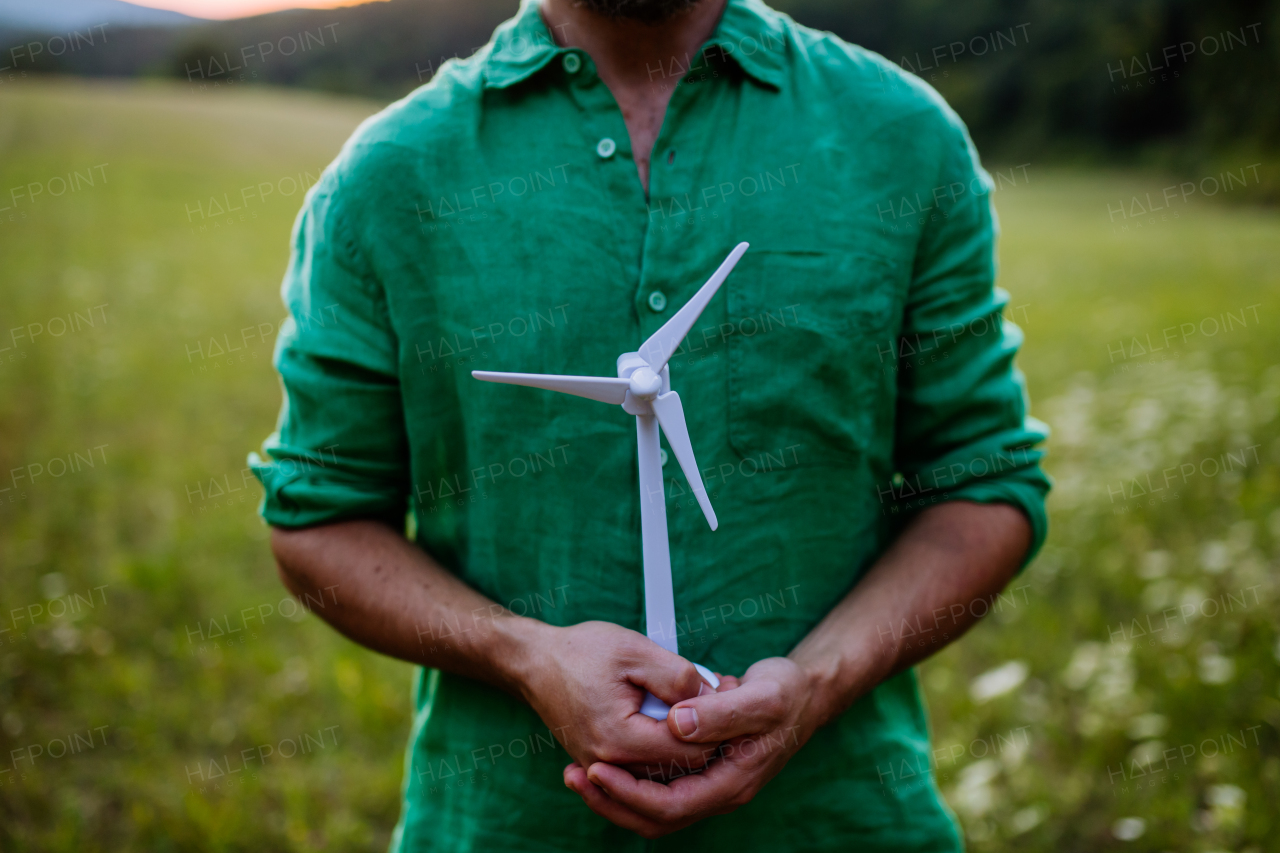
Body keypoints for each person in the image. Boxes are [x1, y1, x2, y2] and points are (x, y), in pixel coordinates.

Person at [250, 0, 1051, 847]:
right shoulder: (389, 174)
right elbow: (322, 517)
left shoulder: (901, 138)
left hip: (843, 820)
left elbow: (983, 483)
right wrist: (521, 652)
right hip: (503, 825)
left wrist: (817, 682)